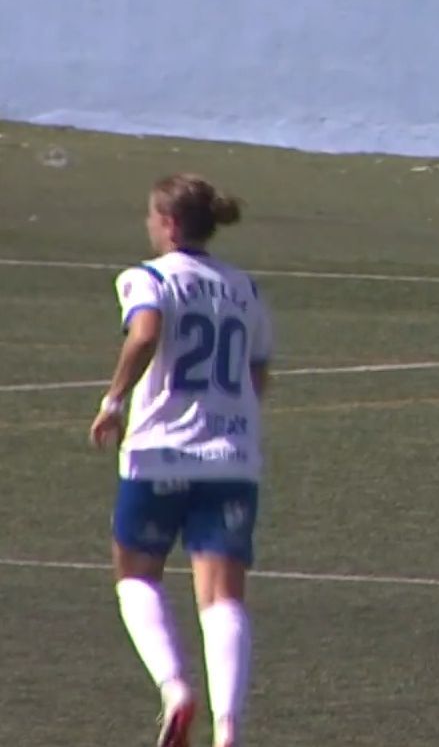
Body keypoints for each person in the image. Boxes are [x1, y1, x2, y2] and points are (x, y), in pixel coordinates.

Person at [90, 174, 275, 747]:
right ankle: (228, 727)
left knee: (136, 575)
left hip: (158, 451)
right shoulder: (245, 288)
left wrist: (114, 399)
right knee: (221, 597)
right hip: (231, 458)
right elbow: (259, 371)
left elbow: (145, 333)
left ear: (168, 223)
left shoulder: (147, 277)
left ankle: (174, 688)